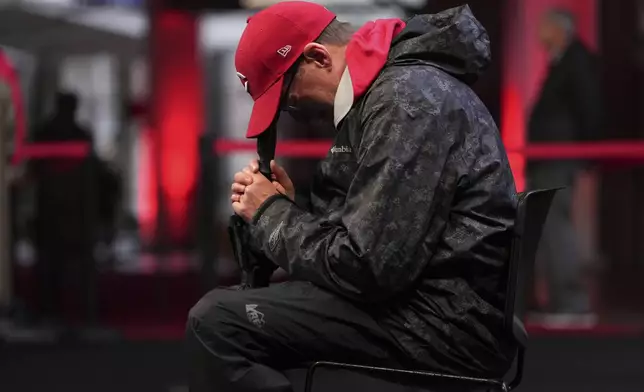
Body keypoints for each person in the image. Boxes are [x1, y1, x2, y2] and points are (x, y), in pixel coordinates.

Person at [186, 3, 518, 391]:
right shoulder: (385, 95)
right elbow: (360, 240)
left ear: (317, 56)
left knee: (217, 323)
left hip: (442, 323)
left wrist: (272, 214)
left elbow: (368, 267)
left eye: (288, 97)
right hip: (428, 305)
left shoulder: (405, 101)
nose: (293, 112)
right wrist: (286, 211)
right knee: (226, 313)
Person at [528, 9, 601, 326]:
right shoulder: (561, 61)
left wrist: (587, 153)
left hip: (559, 157)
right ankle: (558, 301)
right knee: (548, 229)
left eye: (544, 27)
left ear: (559, 29)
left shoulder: (576, 61)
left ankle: (572, 303)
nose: (539, 34)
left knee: (558, 228)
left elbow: (589, 108)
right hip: (547, 157)